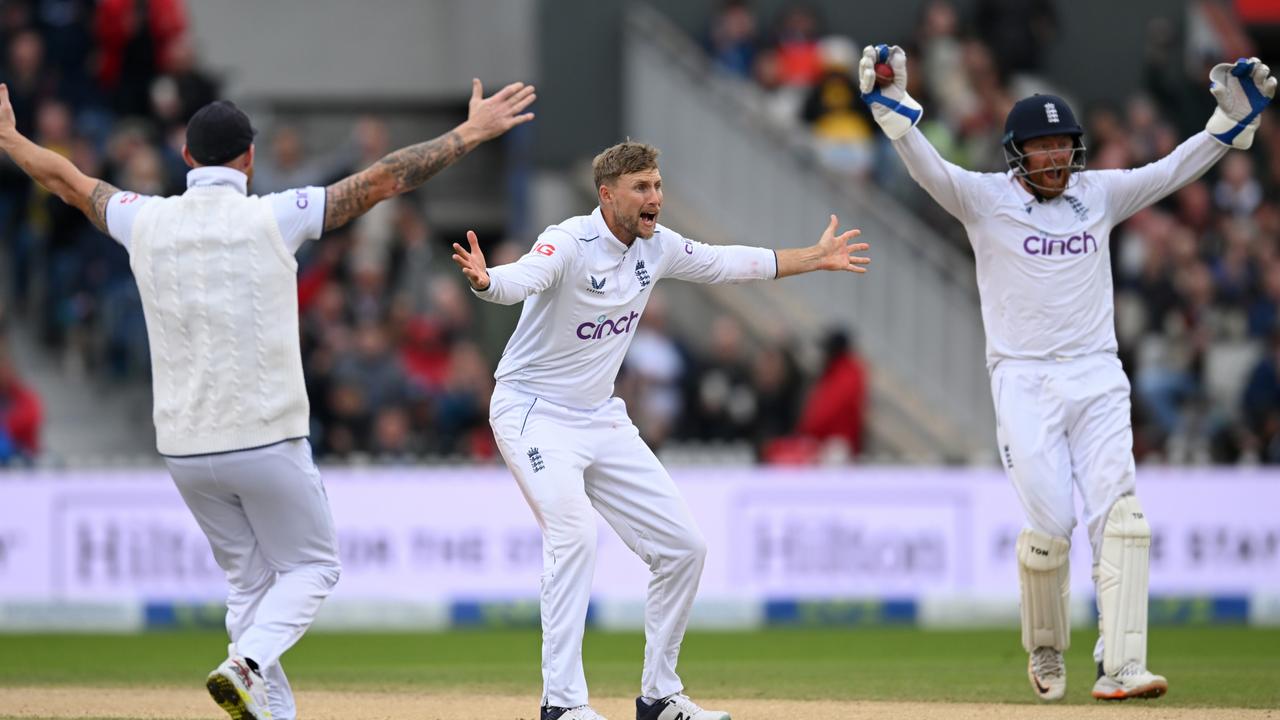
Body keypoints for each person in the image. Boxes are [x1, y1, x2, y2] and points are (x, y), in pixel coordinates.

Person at [0, 78, 535, 720]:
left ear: (188, 160)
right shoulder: (275, 213)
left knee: (248, 584)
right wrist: (470, 133)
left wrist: (9, 138)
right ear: (249, 159)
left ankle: (269, 710)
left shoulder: (146, 218)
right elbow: (385, 178)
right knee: (313, 568)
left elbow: (67, 180)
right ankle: (245, 664)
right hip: (264, 435)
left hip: (183, 447)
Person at [858, 43, 1274, 702]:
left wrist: (1226, 128)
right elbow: (929, 169)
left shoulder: (1097, 195)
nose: (1055, 157)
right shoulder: (984, 200)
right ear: (1017, 152)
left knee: (1123, 518)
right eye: (1042, 146)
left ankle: (1123, 664)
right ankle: (1047, 647)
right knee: (1051, 524)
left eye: (1063, 145)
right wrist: (892, 111)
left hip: (1098, 374)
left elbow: (1169, 171)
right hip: (1022, 378)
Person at [451, 141, 870, 720]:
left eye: (657, 185)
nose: (655, 198)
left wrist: (812, 258)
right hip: (533, 413)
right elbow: (522, 277)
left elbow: (728, 264)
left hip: (600, 416)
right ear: (607, 195)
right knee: (574, 538)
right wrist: (484, 280)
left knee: (683, 550)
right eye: (642, 188)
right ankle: (562, 705)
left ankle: (659, 697)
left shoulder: (658, 247)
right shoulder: (569, 240)